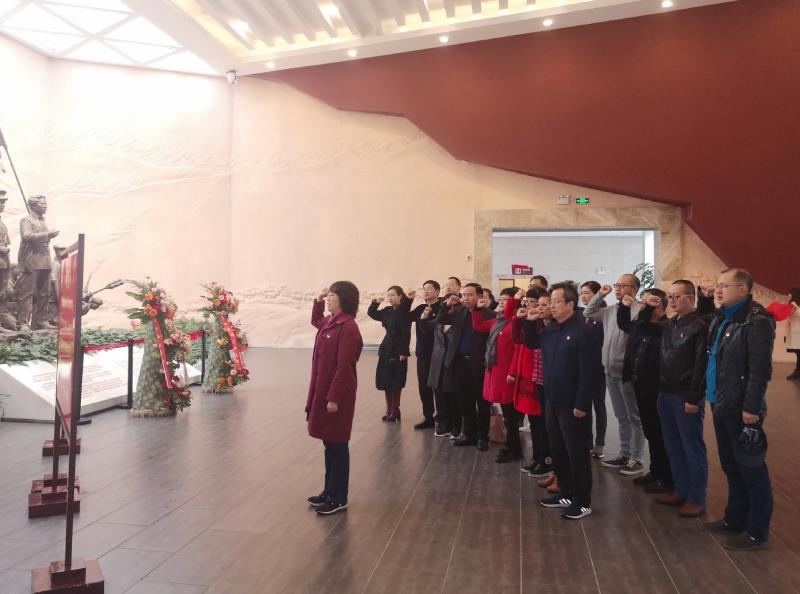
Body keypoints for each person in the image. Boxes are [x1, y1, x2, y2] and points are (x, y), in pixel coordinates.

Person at [703, 268, 775, 550]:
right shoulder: (722, 317)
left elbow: (760, 370)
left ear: (743, 290)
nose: (718, 290)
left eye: (724, 286)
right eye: (717, 285)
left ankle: (757, 531)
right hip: (720, 401)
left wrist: (752, 407)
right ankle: (735, 518)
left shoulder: (756, 321)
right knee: (731, 466)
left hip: (741, 407)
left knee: (752, 469)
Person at [525, 282, 598, 520]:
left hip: (572, 403)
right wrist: (530, 321)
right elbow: (532, 344)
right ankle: (566, 493)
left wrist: (582, 404)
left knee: (577, 452)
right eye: (551, 302)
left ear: (570, 304)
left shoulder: (583, 331)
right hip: (552, 399)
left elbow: (589, 372)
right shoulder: (552, 329)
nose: (552, 306)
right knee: (558, 449)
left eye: (556, 302)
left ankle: (582, 501)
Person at [306, 282, 364, 515]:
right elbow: (316, 321)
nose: (328, 298)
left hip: (336, 395)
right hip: (323, 391)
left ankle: (339, 497)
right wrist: (318, 301)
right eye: (328, 295)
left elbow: (344, 367)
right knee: (329, 443)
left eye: (332, 295)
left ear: (344, 298)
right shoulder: (331, 322)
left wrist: (334, 398)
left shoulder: (348, 327)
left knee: (338, 445)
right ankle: (329, 491)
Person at [654, 280, 709, 518]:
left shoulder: (700, 325)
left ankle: (696, 498)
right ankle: (680, 489)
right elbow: (639, 326)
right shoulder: (670, 324)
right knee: (673, 445)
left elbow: (700, 364)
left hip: (685, 395)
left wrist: (693, 396)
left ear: (691, 298)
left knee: (691, 448)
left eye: (677, 297)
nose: (672, 301)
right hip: (665, 391)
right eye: (670, 296)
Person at [585, 275, 646, 476]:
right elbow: (588, 312)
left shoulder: (640, 310)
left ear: (634, 289)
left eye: (622, 286)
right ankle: (624, 453)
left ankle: (636, 458)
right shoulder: (611, 310)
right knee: (621, 416)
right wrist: (600, 295)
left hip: (627, 372)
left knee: (634, 417)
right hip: (609, 370)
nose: (618, 288)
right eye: (616, 285)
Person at [618, 289, 673, 493]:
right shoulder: (641, 325)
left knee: (660, 433)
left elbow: (651, 330)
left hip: (656, 387)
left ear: (659, 306)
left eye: (647, 303)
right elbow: (624, 324)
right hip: (639, 385)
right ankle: (655, 471)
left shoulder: (666, 327)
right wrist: (624, 307)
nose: (642, 305)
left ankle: (666, 477)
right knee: (651, 431)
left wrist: (648, 308)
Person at [438, 283, 494, 450]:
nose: (466, 298)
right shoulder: (459, 311)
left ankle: (483, 436)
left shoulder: (489, 314)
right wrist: (447, 305)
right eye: (464, 295)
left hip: (480, 364)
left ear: (480, 296)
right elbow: (441, 320)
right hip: (460, 362)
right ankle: (469, 434)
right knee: (465, 401)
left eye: (470, 295)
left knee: (482, 402)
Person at [472, 287, 522, 462]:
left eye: (505, 299)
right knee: (506, 411)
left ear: (514, 303)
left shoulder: (514, 321)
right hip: (494, 371)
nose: (500, 302)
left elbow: (517, 351)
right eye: (499, 299)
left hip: (507, 374)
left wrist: (513, 372)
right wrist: (477, 310)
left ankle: (513, 447)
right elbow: (479, 326)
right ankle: (512, 446)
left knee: (510, 414)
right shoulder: (498, 321)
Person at [513, 288, 554, 479]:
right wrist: (524, 320)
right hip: (537, 379)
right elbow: (523, 340)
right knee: (537, 424)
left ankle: (547, 461)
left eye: (542, 304)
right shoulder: (538, 323)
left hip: (550, 381)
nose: (536, 307)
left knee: (546, 426)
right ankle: (539, 458)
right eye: (532, 302)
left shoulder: (554, 326)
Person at [368, 286, 412, 422]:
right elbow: (372, 313)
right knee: (386, 380)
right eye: (389, 295)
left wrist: (403, 352)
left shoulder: (404, 312)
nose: (390, 298)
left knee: (396, 381)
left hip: (398, 350)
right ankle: (388, 409)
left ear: (400, 296)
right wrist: (375, 303)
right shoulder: (387, 311)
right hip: (386, 348)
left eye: (393, 295)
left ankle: (395, 409)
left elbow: (406, 334)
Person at [426, 277, 463, 439]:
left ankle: (456, 426)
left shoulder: (462, 314)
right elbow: (431, 326)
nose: (449, 305)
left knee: (453, 394)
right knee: (439, 394)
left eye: (451, 286)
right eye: (446, 303)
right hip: (437, 360)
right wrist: (425, 316)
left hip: (453, 360)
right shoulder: (441, 316)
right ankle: (442, 424)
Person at [16, 194, 59, 332]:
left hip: (44, 259)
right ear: (33, 206)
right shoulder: (26, 220)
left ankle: (41, 321)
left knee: (44, 293)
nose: (45, 206)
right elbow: (26, 236)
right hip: (31, 260)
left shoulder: (42, 221)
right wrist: (47, 235)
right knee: (27, 293)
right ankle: (22, 323)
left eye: (46, 204)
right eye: (42, 204)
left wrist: (48, 236)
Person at [406, 281, 443, 429]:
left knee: (437, 387)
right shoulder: (421, 307)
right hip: (422, 353)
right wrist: (408, 300)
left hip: (437, 353)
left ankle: (441, 417)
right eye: (424, 289)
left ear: (437, 291)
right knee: (423, 386)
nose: (426, 291)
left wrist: (426, 317)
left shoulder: (442, 308)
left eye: (429, 289)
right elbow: (405, 317)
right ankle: (428, 417)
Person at [580, 280, 607, 458]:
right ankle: (587, 441)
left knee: (599, 405)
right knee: (584, 405)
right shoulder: (581, 315)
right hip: (584, 367)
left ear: (597, 294)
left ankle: (600, 443)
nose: (583, 296)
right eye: (581, 293)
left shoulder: (603, 315)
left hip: (598, 368)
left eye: (587, 293)